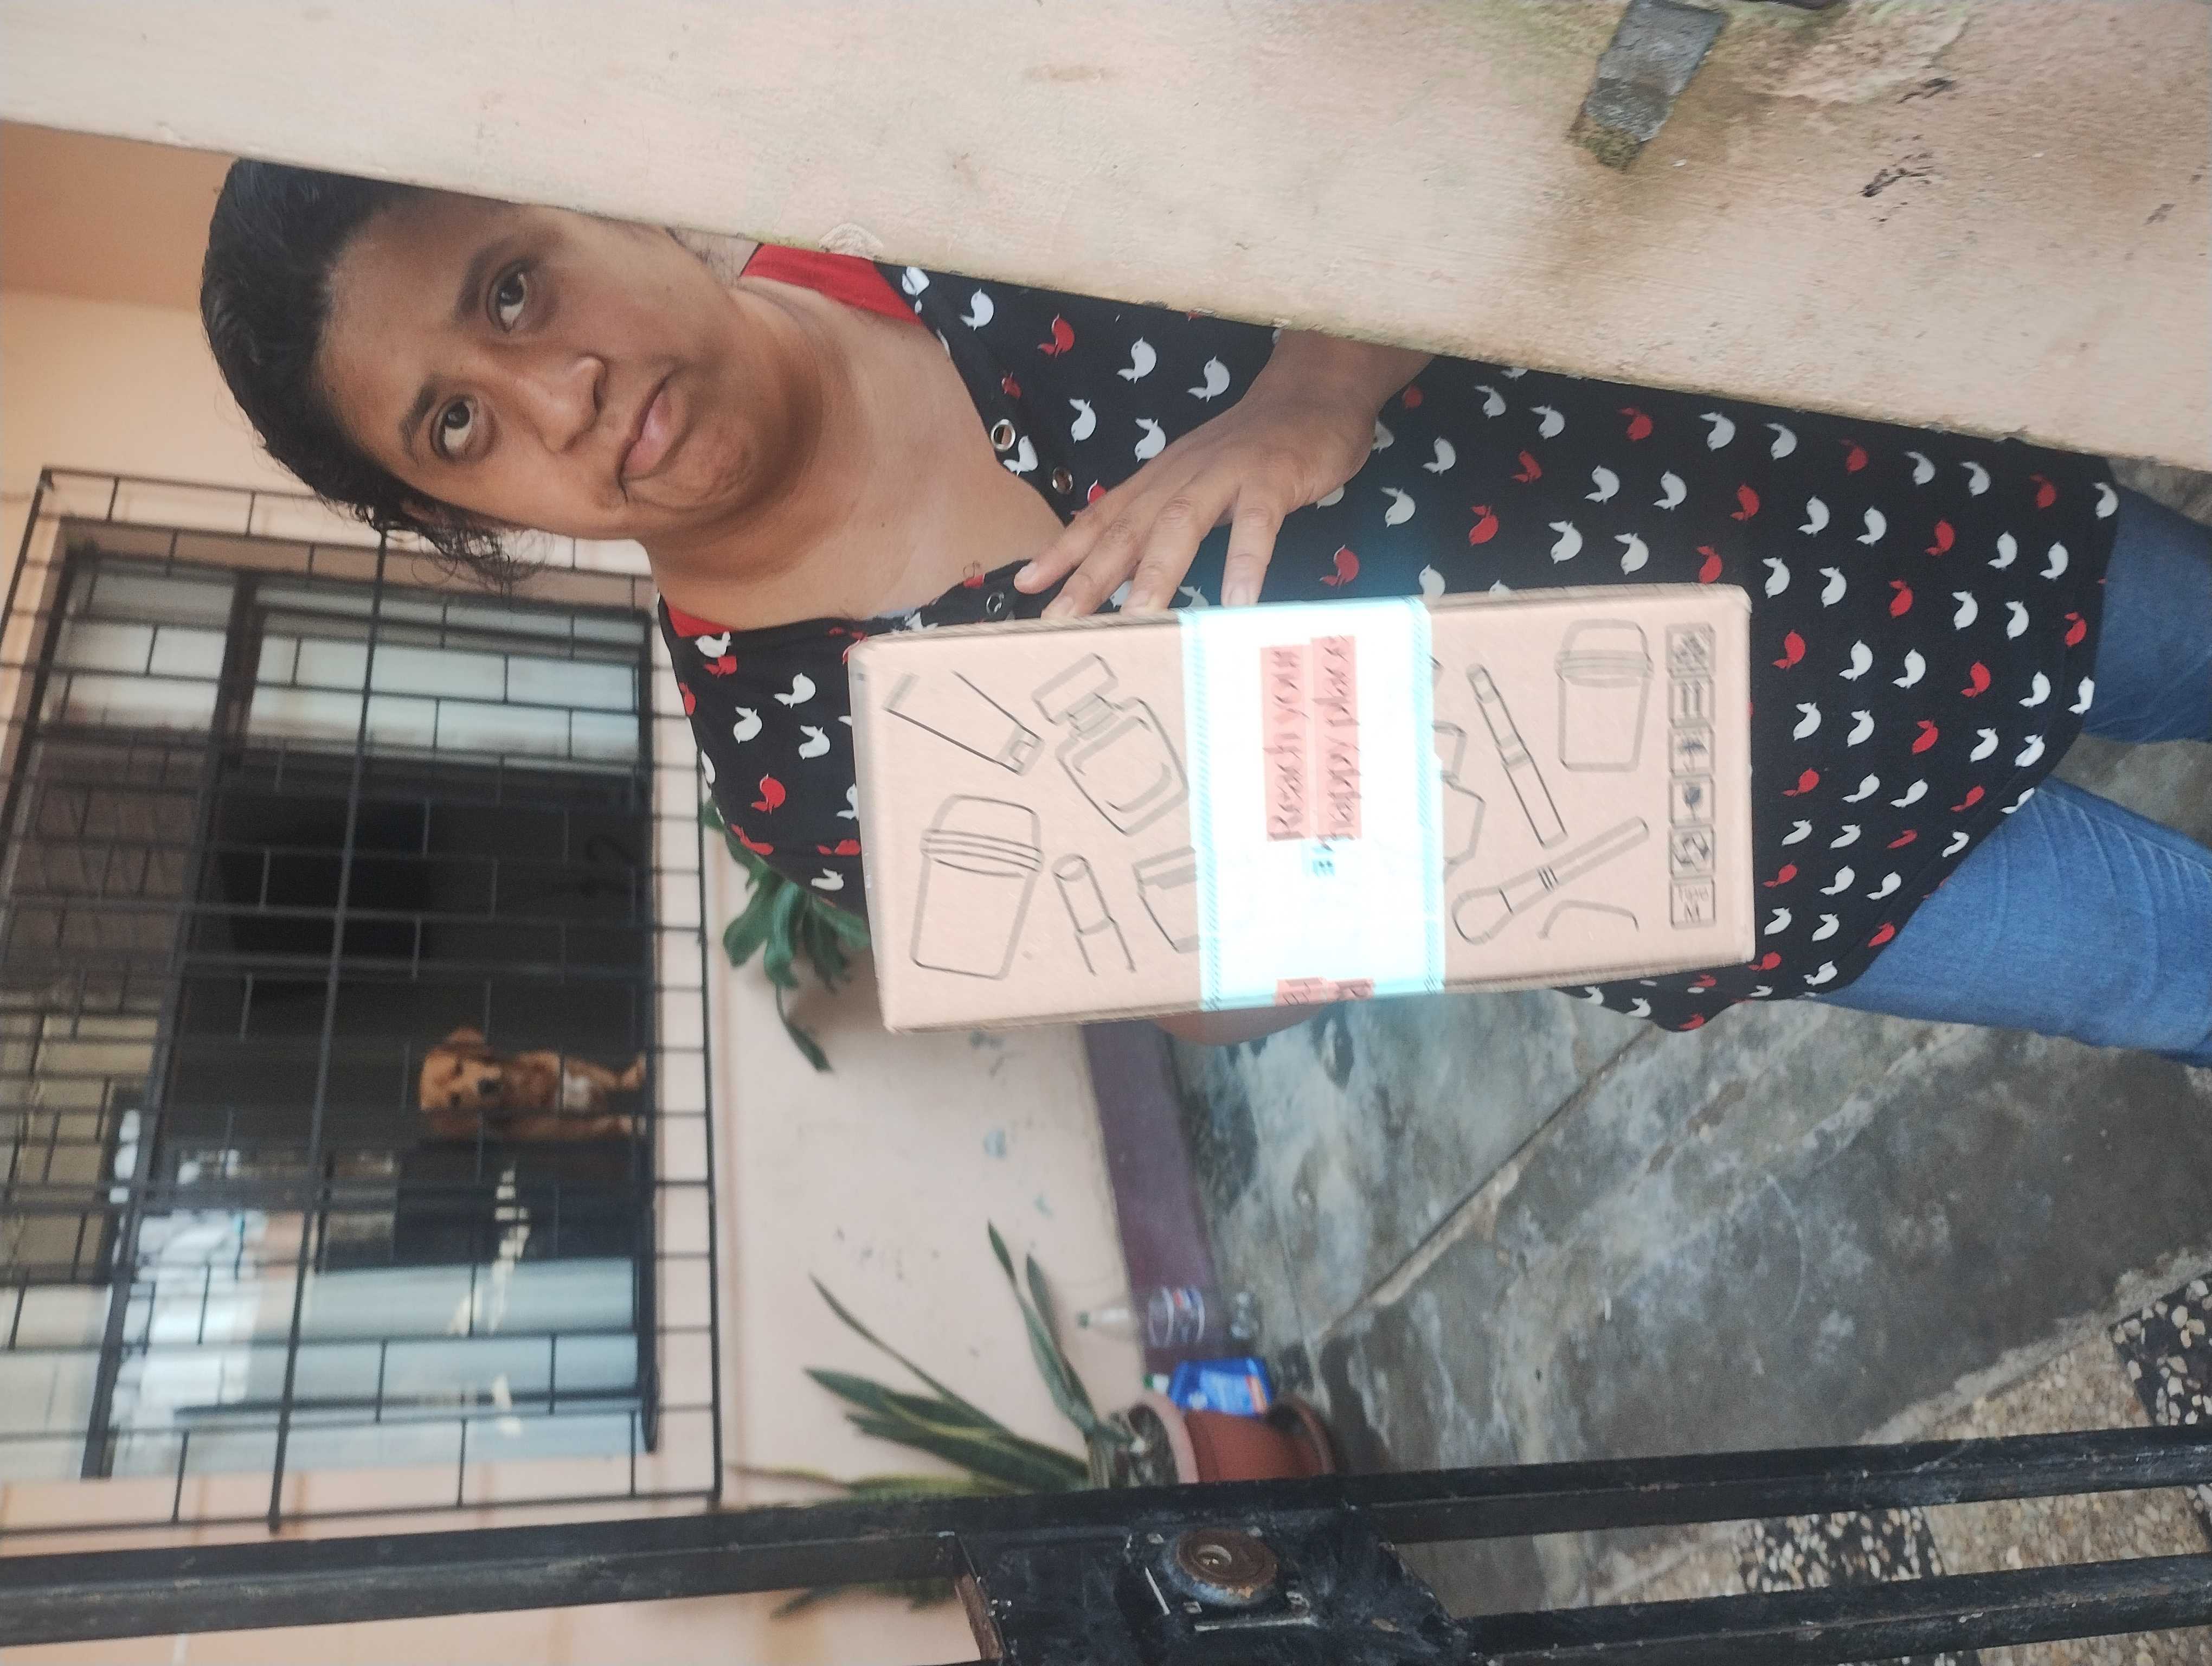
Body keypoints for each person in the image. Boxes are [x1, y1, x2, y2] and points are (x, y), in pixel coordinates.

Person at [198, 164, 2212, 1063]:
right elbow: (1202, 985)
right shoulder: (808, 760)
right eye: (457, 425)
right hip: (1741, 857)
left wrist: (1312, 392)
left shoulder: (946, 194)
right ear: (460, 510)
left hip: (1854, 550)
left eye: (515, 286)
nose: (557, 398)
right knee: (2170, 971)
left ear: (601, 199)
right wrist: (1241, 957)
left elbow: (1423, 183)